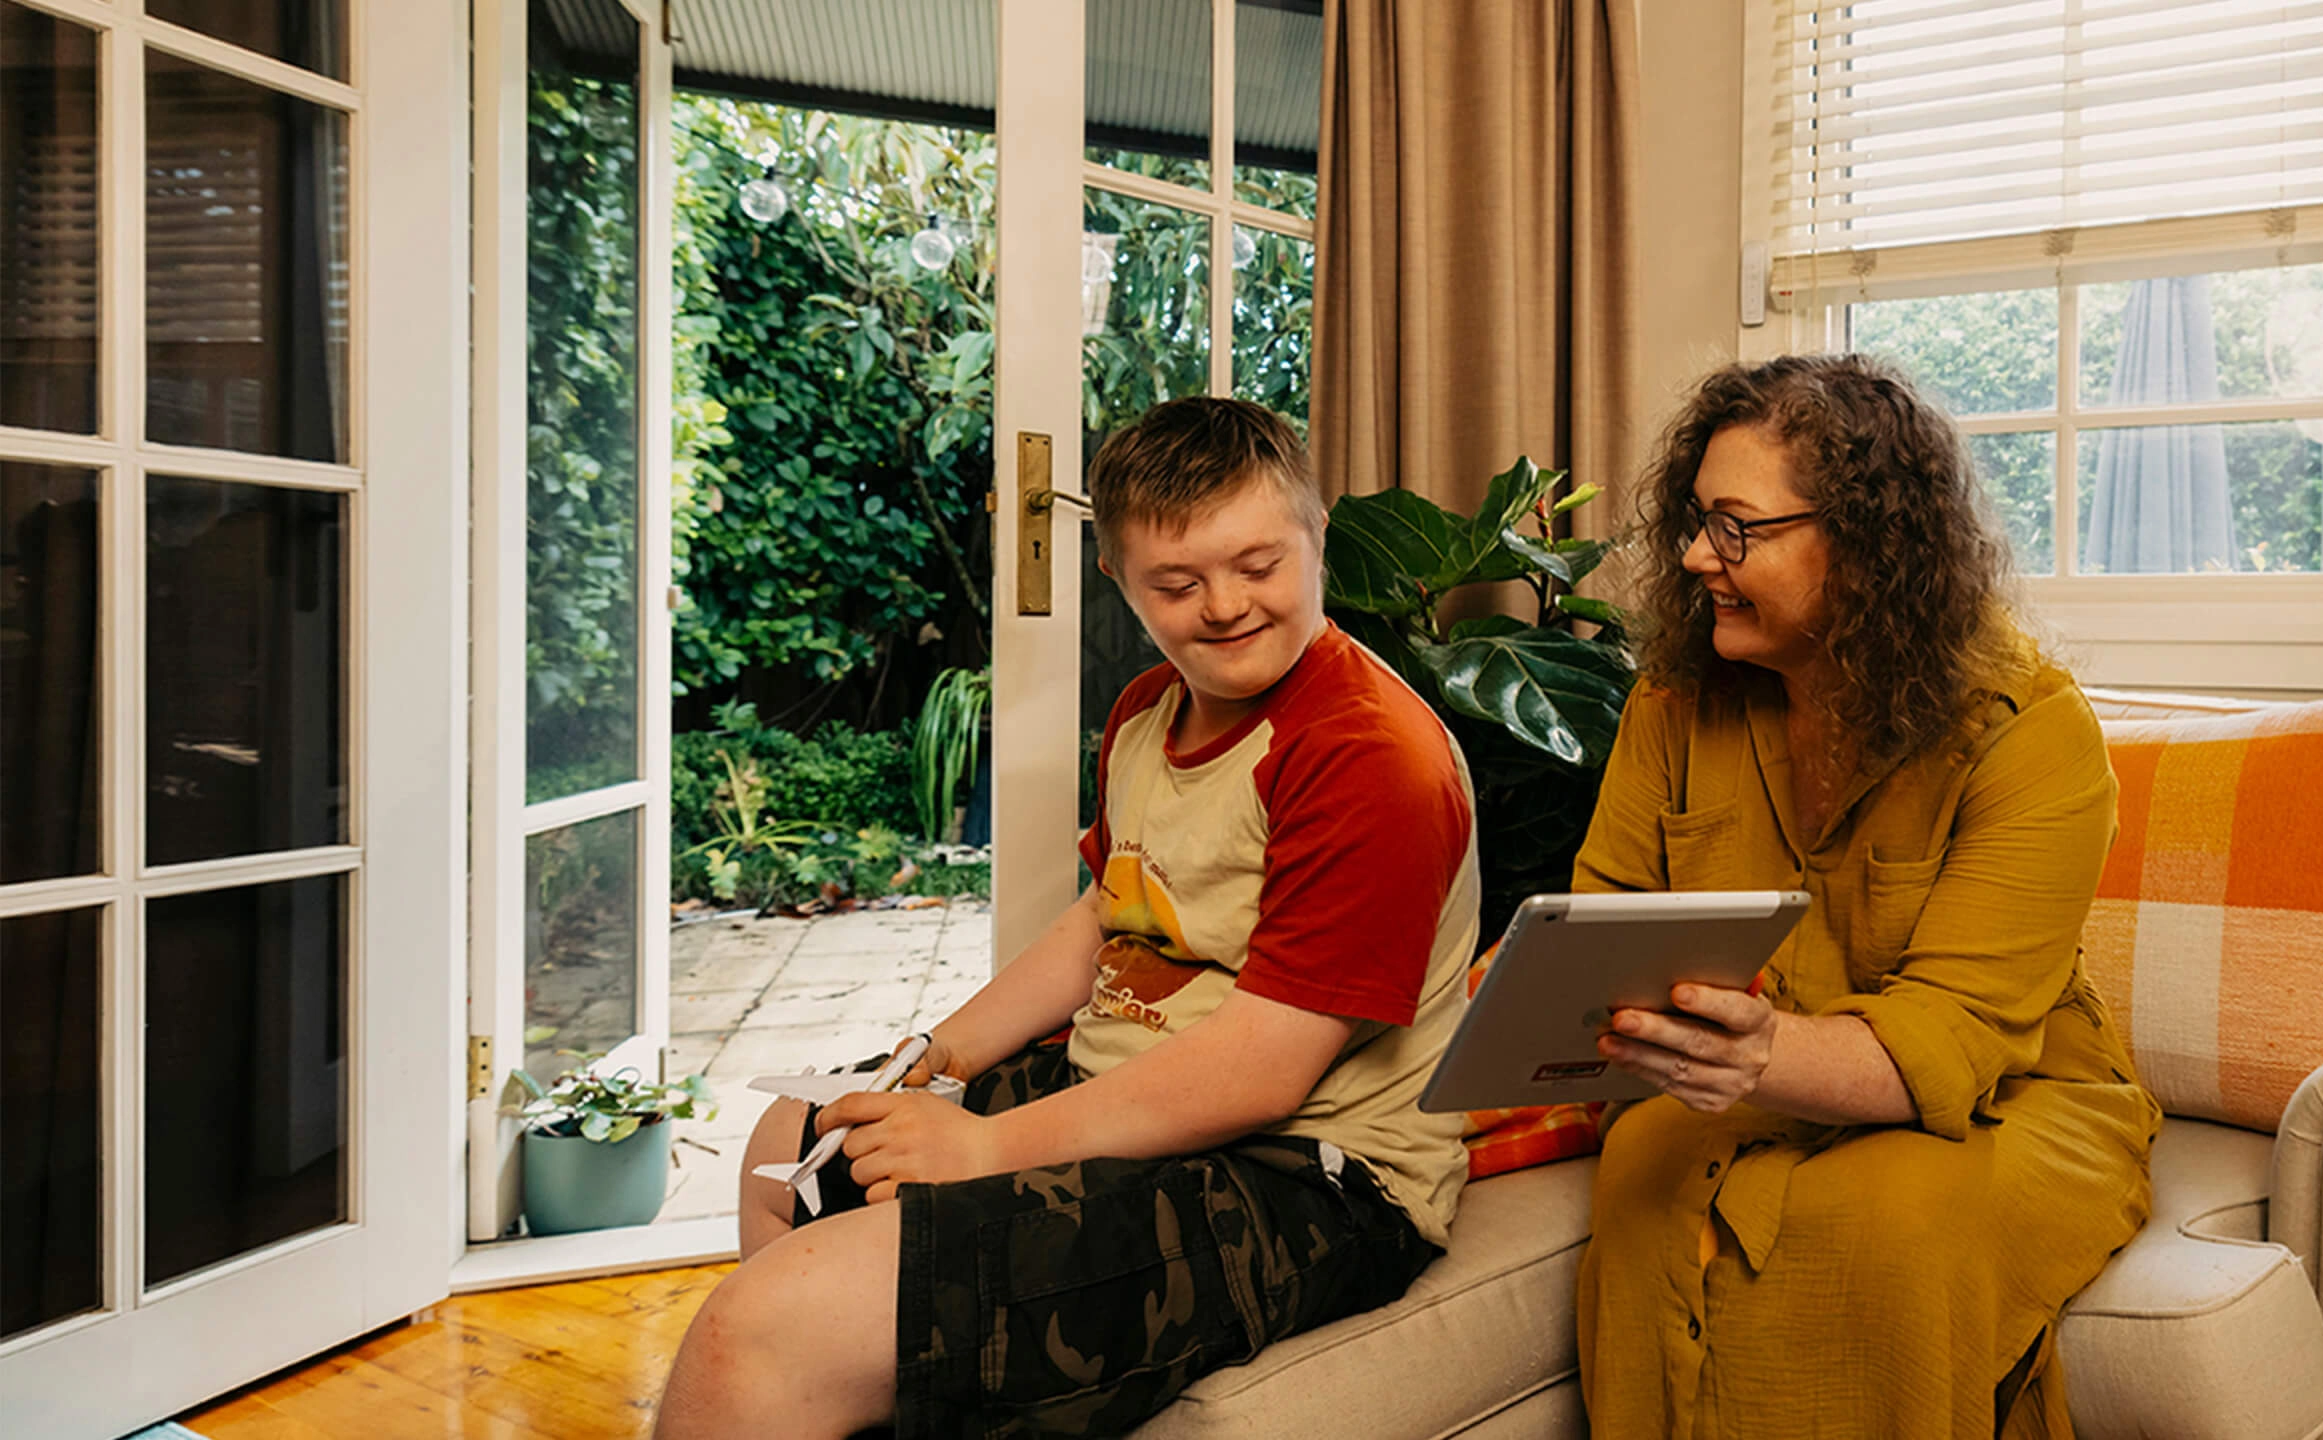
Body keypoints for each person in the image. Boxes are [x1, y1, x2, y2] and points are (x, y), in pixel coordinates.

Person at [657, 397, 1480, 1440]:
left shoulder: (1367, 757)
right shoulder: (1147, 710)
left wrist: (977, 1148)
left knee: (759, 1329)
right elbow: (1107, 914)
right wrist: (935, 1054)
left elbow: (1260, 1073)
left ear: (1317, 537)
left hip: (1309, 1172)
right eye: (1177, 584)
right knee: (789, 1142)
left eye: (1260, 565)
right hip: (1128, 1084)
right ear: (1120, 579)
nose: (1223, 606)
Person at [1572, 354, 2160, 1438]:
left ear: (1865, 545)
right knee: (1643, 1172)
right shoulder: (1673, 699)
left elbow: (1963, 1030)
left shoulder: (2031, 731)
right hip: (1740, 1082)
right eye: (1696, 522)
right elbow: (1605, 914)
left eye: (1738, 529)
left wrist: (1758, 1054)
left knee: (1889, 1217)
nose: (1699, 555)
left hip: (2019, 1096)